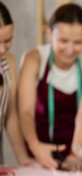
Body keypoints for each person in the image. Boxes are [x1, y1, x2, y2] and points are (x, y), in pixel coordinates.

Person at [19, 3, 82, 171]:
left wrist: (76, 154)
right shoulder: (34, 59)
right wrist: (35, 146)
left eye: (78, 42)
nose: (70, 49)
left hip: (79, 150)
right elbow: (25, 112)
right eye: (63, 41)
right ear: (50, 33)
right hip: (39, 149)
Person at [0, 3, 34, 165]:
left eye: (7, 40)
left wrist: (24, 159)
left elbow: (10, 115)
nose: (2, 50)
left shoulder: (9, 63)